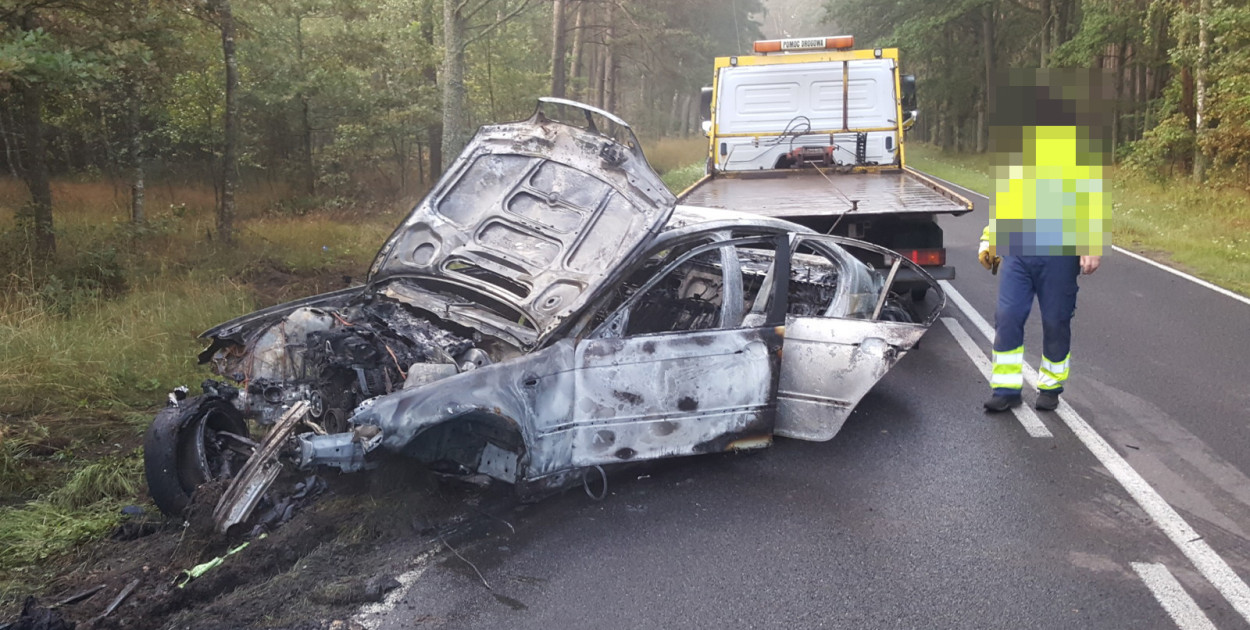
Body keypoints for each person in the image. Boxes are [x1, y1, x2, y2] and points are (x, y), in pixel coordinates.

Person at [979, 72, 1110, 413]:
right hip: (1018, 248)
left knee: (1056, 320)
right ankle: (1006, 389)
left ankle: (1050, 386)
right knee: (1008, 315)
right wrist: (989, 240)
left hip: (1060, 250)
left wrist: (1091, 243)